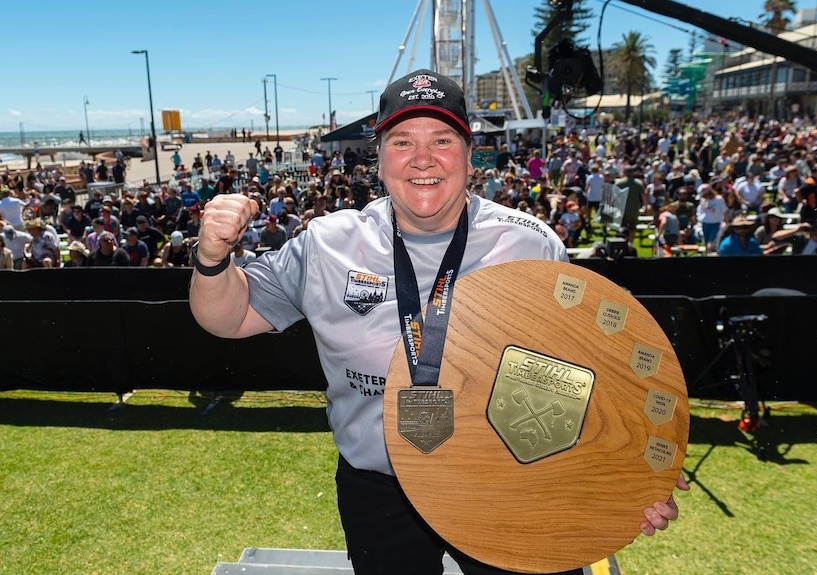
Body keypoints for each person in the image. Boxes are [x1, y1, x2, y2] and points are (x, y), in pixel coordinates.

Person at [189, 69, 684, 575]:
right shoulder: (326, 244)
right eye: (402, 141)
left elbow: (590, 375)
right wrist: (211, 258)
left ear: (471, 156)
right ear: (377, 158)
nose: (423, 158)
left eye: (442, 140)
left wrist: (636, 469)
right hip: (379, 491)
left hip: (507, 481)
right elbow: (228, 318)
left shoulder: (530, 245)